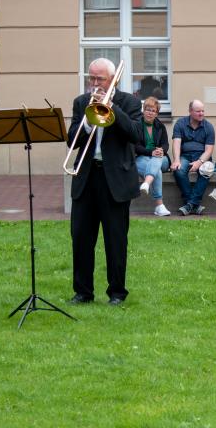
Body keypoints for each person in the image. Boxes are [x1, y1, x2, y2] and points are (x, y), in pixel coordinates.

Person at [67, 58, 143, 306]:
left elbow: (136, 134)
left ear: (113, 80)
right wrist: (88, 122)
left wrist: (111, 108)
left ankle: (117, 292)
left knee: (116, 240)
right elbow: (71, 140)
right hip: (87, 178)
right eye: (92, 78)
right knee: (81, 239)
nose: (95, 84)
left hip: (116, 180)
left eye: (100, 79)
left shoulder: (129, 102)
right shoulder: (81, 102)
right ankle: (83, 292)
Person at [171, 99, 215, 216]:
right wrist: (176, 160)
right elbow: (176, 143)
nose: (201, 114)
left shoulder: (208, 127)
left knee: (207, 170)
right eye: (198, 111)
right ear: (190, 111)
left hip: (202, 157)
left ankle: (189, 204)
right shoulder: (180, 123)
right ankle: (194, 205)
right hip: (185, 156)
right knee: (178, 170)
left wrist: (199, 162)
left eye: (203, 111)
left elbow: (209, 150)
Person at [135, 96, 171, 216]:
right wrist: (151, 152)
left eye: (153, 111)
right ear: (143, 110)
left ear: (157, 113)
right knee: (157, 172)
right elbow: (136, 147)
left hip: (161, 159)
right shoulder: (136, 125)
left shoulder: (160, 126)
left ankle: (147, 182)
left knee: (157, 160)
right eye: (148, 109)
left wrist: (161, 151)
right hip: (142, 158)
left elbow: (166, 144)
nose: (150, 113)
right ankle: (159, 206)